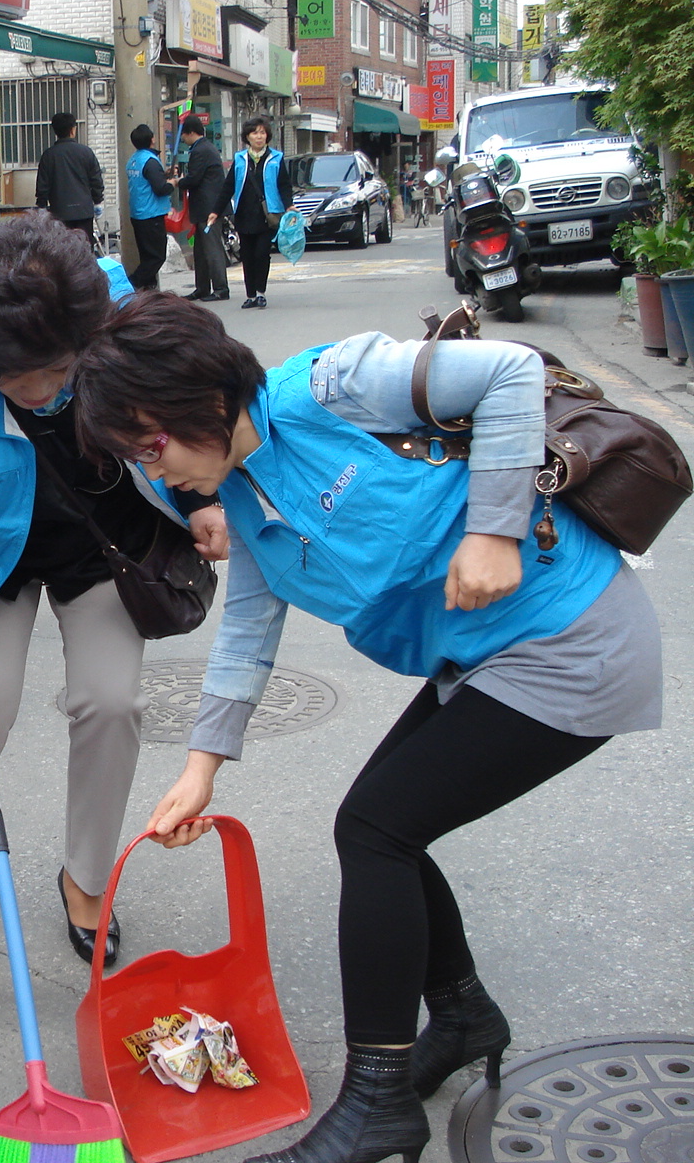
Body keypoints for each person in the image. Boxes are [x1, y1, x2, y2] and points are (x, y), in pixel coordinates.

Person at [72, 297, 661, 1163]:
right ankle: (462, 1016)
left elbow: (508, 373)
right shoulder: (239, 492)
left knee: (377, 828)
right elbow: (247, 627)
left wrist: (494, 529)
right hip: (484, 659)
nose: (153, 472)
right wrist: (202, 767)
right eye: (134, 459)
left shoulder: (331, 387)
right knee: (388, 826)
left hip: (571, 638)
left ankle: (377, 1100)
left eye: (150, 445)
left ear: (203, 395)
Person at [0, 217, 228, 1019]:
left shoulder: (117, 322)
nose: (41, 391)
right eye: (17, 377)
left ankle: (86, 878)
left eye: (58, 371)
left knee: (112, 702)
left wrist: (203, 502)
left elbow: (186, 417)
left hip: (102, 551)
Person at [222, 116, 292, 309]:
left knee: (262, 254)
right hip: (244, 214)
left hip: (267, 215)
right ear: (247, 137)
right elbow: (228, 187)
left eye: (262, 133)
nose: (259, 136)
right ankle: (250, 295)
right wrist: (216, 211)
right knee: (247, 256)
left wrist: (289, 205)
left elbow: (284, 185)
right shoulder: (240, 159)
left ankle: (261, 293)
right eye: (255, 133)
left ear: (267, 136)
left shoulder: (276, 158)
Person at [177, 114, 230, 301]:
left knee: (212, 248)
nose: (183, 139)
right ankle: (202, 288)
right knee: (200, 251)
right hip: (204, 209)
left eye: (184, 135)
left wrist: (178, 182)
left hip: (209, 209)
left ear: (191, 133)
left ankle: (221, 288)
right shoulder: (205, 147)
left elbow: (194, 179)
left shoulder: (201, 150)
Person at [35, 112, 105, 234]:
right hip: (84, 212)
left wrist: (42, 206)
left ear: (55, 131)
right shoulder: (86, 152)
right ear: (73, 130)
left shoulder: (48, 156)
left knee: (62, 245)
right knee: (83, 243)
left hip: (59, 213)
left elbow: (42, 186)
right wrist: (98, 201)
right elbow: (96, 180)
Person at [124, 124, 175, 290]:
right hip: (151, 214)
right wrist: (173, 183)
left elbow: (145, 181)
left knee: (146, 256)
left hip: (138, 214)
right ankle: (130, 284)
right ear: (152, 139)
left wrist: (163, 175)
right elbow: (161, 189)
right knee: (156, 257)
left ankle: (148, 290)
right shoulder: (150, 161)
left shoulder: (133, 160)